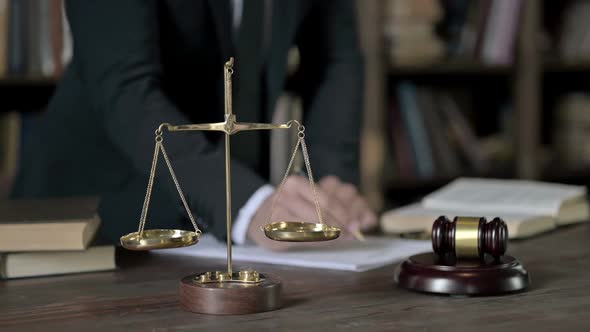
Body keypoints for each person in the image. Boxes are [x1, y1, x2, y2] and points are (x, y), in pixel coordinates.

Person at [12, 0, 376, 250]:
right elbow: (125, 85)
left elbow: (334, 59)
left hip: (232, 238)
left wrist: (330, 187)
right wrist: (246, 205)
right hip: (97, 221)